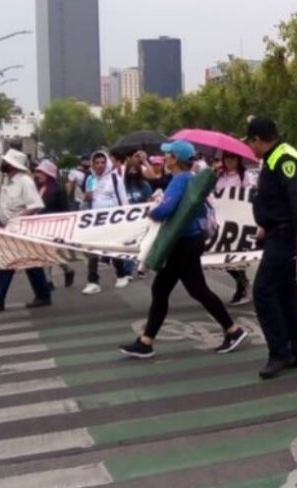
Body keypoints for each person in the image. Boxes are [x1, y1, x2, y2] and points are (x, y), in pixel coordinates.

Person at [120, 140, 248, 359]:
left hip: (182, 243)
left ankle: (146, 342)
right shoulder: (192, 179)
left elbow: (166, 209)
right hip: (191, 240)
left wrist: (153, 212)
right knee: (195, 289)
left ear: (176, 159)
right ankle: (232, 330)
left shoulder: (179, 180)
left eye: (168, 155)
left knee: (163, 289)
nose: (165, 159)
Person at [245, 117, 297, 379]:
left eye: (250, 142)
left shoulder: (284, 157)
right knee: (286, 292)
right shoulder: (275, 157)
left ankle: (280, 352)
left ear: (258, 139)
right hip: (277, 232)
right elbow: (276, 198)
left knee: (263, 291)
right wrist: (266, 224)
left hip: (285, 235)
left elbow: (295, 198)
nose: (250, 148)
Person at [0, 149, 52, 312]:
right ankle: (40, 295)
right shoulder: (7, 180)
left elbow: (36, 205)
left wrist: (17, 221)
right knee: (20, 262)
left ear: (12, 165)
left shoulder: (25, 181)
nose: (2, 164)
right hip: (7, 228)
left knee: (16, 262)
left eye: (6, 162)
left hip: (21, 229)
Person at [81, 151, 132, 295]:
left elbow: (123, 198)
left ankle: (121, 275)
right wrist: (87, 197)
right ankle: (92, 281)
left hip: (113, 219)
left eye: (102, 162)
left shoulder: (115, 178)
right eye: (96, 163)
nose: (99, 165)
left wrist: (126, 216)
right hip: (95, 220)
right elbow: (87, 198)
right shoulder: (90, 179)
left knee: (113, 248)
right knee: (92, 250)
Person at [216, 152, 254, 305]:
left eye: (232, 158)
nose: (229, 161)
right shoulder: (220, 176)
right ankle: (242, 280)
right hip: (223, 220)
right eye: (227, 158)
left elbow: (251, 194)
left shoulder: (245, 176)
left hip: (240, 220)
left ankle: (241, 286)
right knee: (223, 255)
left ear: (238, 159)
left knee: (237, 254)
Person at [34, 159, 75, 289]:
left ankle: (53, 278)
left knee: (50, 252)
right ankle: (57, 276)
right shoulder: (39, 188)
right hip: (40, 225)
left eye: (40, 172)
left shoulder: (58, 190)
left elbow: (65, 209)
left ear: (48, 174)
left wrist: (66, 226)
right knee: (48, 252)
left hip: (55, 226)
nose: (37, 175)